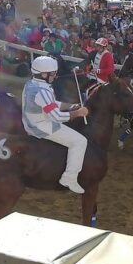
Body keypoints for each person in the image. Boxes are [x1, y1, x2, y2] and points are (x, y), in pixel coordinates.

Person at [22, 56, 90, 194]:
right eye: (53, 73)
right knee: (80, 141)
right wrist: (78, 113)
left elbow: (52, 104)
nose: (55, 75)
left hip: (30, 121)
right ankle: (69, 178)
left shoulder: (32, 84)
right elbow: (57, 117)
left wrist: (70, 106)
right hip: (41, 126)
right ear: (44, 74)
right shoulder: (43, 91)